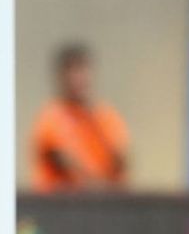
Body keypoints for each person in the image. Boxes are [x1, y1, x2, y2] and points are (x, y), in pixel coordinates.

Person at [31, 43, 129, 193]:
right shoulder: (51, 116)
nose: (77, 78)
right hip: (62, 205)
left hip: (104, 204)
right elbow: (63, 163)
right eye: (71, 70)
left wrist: (93, 120)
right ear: (60, 77)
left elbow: (121, 163)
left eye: (82, 69)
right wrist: (102, 187)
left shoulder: (106, 115)